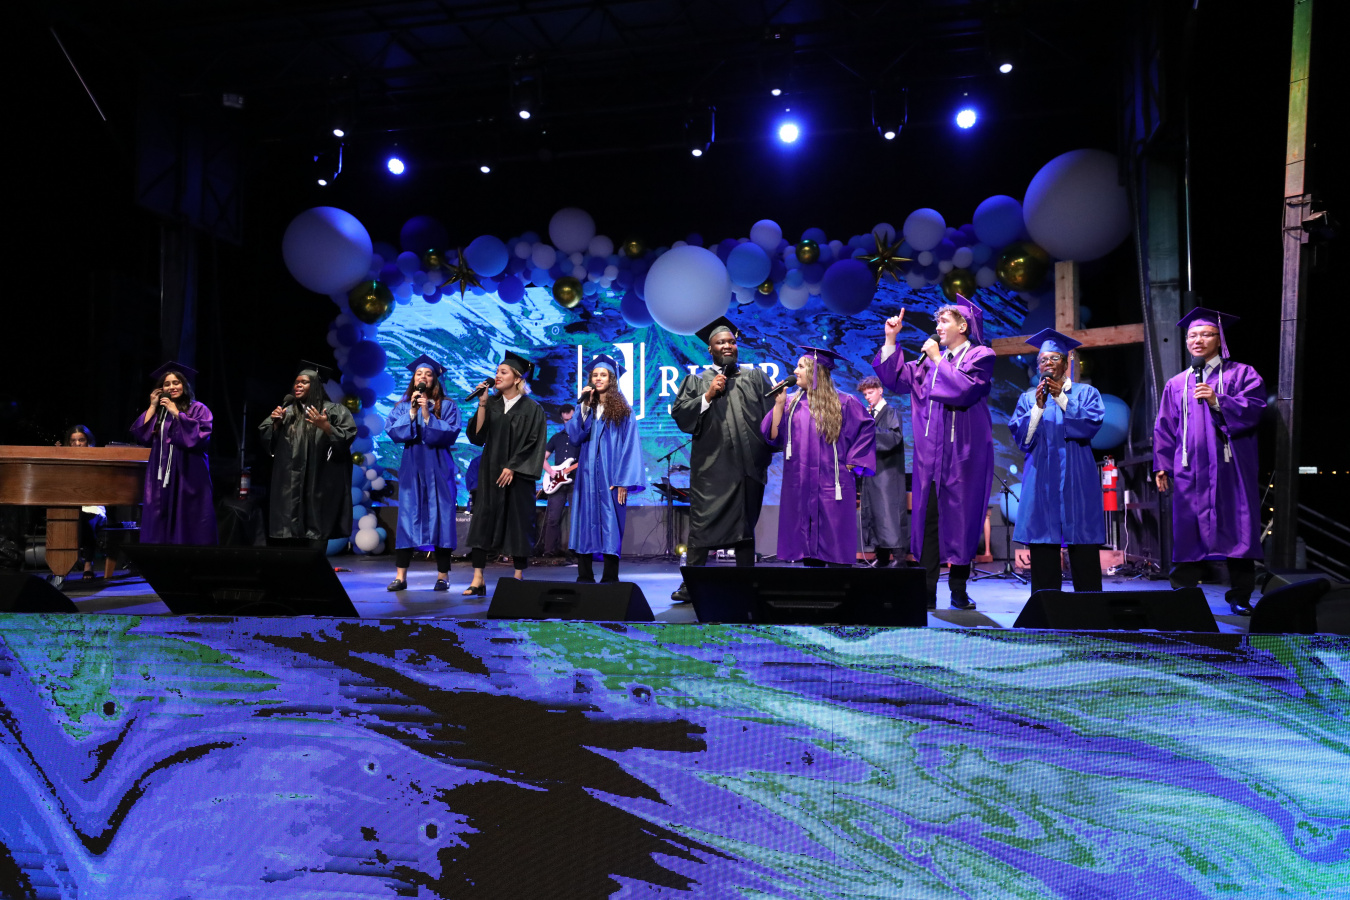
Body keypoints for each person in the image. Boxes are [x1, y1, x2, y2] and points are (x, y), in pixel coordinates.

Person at [872, 300, 994, 609]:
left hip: (964, 454)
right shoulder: (925, 363)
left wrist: (938, 358)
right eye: (937, 322)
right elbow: (895, 379)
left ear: (963, 327)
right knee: (928, 521)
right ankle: (926, 590)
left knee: (962, 520)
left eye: (944, 322)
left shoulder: (981, 356)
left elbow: (964, 389)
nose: (937, 327)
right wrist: (891, 339)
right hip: (931, 456)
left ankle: (958, 589)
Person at [1153, 308, 1266, 616]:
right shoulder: (1177, 383)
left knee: (1238, 527)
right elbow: (1165, 426)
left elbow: (1256, 407)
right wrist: (1162, 464)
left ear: (1220, 338)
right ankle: (1183, 594)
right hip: (1190, 469)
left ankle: (1240, 596)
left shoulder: (1242, 374)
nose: (1197, 340)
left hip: (1231, 468)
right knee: (1187, 528)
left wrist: (1218, 400)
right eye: (1192, 335)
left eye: (1205, 334)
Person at [669, 316, 775, 602]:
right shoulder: (697, 381)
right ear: (710, 349)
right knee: (702, 525)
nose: (727, 346)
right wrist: (707, 396)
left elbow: (771, 419)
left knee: (745, 527)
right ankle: (691, 584)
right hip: (712, 468)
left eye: (731, 341)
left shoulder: (755, 378)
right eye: (720, 342)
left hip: (747, 467)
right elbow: (681, 415)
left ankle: (746, 582)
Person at [1007, 329, 1106, 595]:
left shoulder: (1086, 393)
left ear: (1066, 361)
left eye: (1054, 358)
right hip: (1041, 480)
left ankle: (1090, 610)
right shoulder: (1028, 399)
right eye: (1043, 359)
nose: (1048, 363)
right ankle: (1046, 608)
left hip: (1077, 478)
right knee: (1043, 544)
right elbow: (1024, 440)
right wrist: (1038, 408)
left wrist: (1061, 398)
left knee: (1083, 543)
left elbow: (1090, 426)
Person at [763, 347, 876, 566]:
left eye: (800, 367)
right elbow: (772, 437)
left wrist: (852, 462)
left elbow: (866, 430)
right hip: (801, 484)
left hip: (833, 484)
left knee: (835, 545)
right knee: (807, 548)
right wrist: (778, 404)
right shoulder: (790, 404)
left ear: (816, 372)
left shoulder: (845, 402)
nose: (795, 371)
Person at [463, 350, 547, 596]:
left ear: (518, 378)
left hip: (518, 476)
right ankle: (477, 578)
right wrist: (482, 402)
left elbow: (534, 442)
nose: (497, 376)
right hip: (491, 472)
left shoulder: (532, 409)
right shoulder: (492, 404)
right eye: (497, 371)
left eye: (503, 372)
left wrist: (513, 466)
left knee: (518, 523)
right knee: (483, 521)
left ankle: (518, 576)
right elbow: (477, 436)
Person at [259, 360, 357, 550]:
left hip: (320, 479)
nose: (298, 385)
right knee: (292, 524)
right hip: (291, 481)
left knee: (318, 525)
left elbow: (348, 436)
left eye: (304, 382)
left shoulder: (334, 411)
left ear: (316, 386)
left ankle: (315, 565)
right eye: (296, 382)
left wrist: (326, 426)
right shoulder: (287, 412)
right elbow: (267, 438)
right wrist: (275, 425)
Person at [384, 355, 462, 592]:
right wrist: (412, 412)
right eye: (419, 374)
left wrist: (427, 413)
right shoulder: (402, 406)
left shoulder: (447, 406)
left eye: (428, 374)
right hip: (413, 467)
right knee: (407, 519)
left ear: (435, 380)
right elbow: (393, 432)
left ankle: (442, 576)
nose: (423, 377)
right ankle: (401, 576)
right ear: (413, 379)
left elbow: (450, 433)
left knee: (442, 520)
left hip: (438, 467)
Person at [567, 355, 646, 583]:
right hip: (586, 478)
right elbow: (575, 437)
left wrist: (624, 481)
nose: (599, 378)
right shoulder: (586, 408)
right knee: (584, 523)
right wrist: (583, 406)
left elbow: (631, 447)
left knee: (612, 525)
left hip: (612, 478)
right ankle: (584, 576)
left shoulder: (624, 411)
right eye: (595, 375)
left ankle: (610, 577)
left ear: (612, 379)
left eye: (603, 375)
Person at [129, 361, 218, 546]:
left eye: (176, 382)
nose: (172, 387)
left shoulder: (198, 409)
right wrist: (153, 406)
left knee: (188, 514)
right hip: (160, 473)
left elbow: (200, 436)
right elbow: (143, 435)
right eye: (167, 384)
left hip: (188, 471)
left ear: (184, 385)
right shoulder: (160, 412)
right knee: (159, 514)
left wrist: (177, 413)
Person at [856, 375, 910, 568]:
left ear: (880, 390)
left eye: (870, 392)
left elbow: (894, 437)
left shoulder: (891, 413)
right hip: (872, 472)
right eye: (865, 394)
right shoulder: (869, 415)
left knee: (889, 513)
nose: (868, 397)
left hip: (888, 472)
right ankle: (882, 555)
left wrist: (869, 429)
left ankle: (899, 557)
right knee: (875, 513)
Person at [56, 425, 105, 577]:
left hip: (92, 507)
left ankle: (88, 564)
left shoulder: (97, 458)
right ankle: (60, 565)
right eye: (73, 441)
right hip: (70, 505)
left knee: (85, 521)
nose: (77, 444)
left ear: (88, 441)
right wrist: (56, 456)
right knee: (64, 520)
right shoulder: (65, 459)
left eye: (81, 440)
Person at [538, 404, 579, 557]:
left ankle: (576, 551)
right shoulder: (556, 438)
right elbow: (542, 458)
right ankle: (549, 551)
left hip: (575, 482)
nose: (568, 422)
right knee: (553, 518)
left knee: (576, 518)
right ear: (562, 419)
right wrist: (551, 471)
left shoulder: (581, 439)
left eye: (571, 419)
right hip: (556, 483)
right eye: (566, 420)